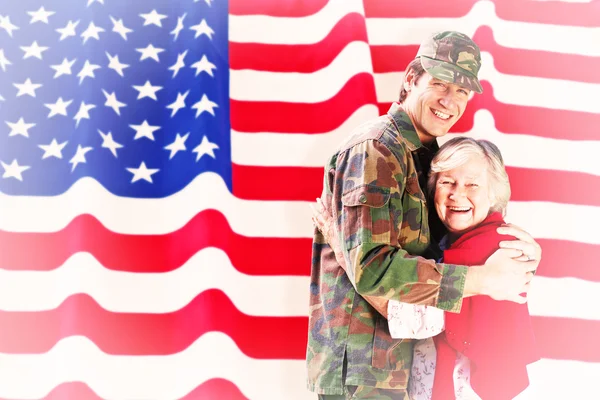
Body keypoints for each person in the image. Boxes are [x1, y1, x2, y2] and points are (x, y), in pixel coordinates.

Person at [306, 31, 541, 400]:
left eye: (462, 91)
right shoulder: (378, 151)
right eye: (439, 84)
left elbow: (463, 231)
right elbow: (372, 268)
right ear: (411, 79)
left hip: (411, 363)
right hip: (369, 371)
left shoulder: (428, 156)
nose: (451, 101)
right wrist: (480, 279)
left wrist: (523, 254)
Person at [406, 137, 538, 400]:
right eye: (447, 182)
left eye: (472, 184)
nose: (457, 194)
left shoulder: (490, 246)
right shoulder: (449, 239)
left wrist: (350, 258)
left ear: (493, 193)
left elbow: (411, 319)